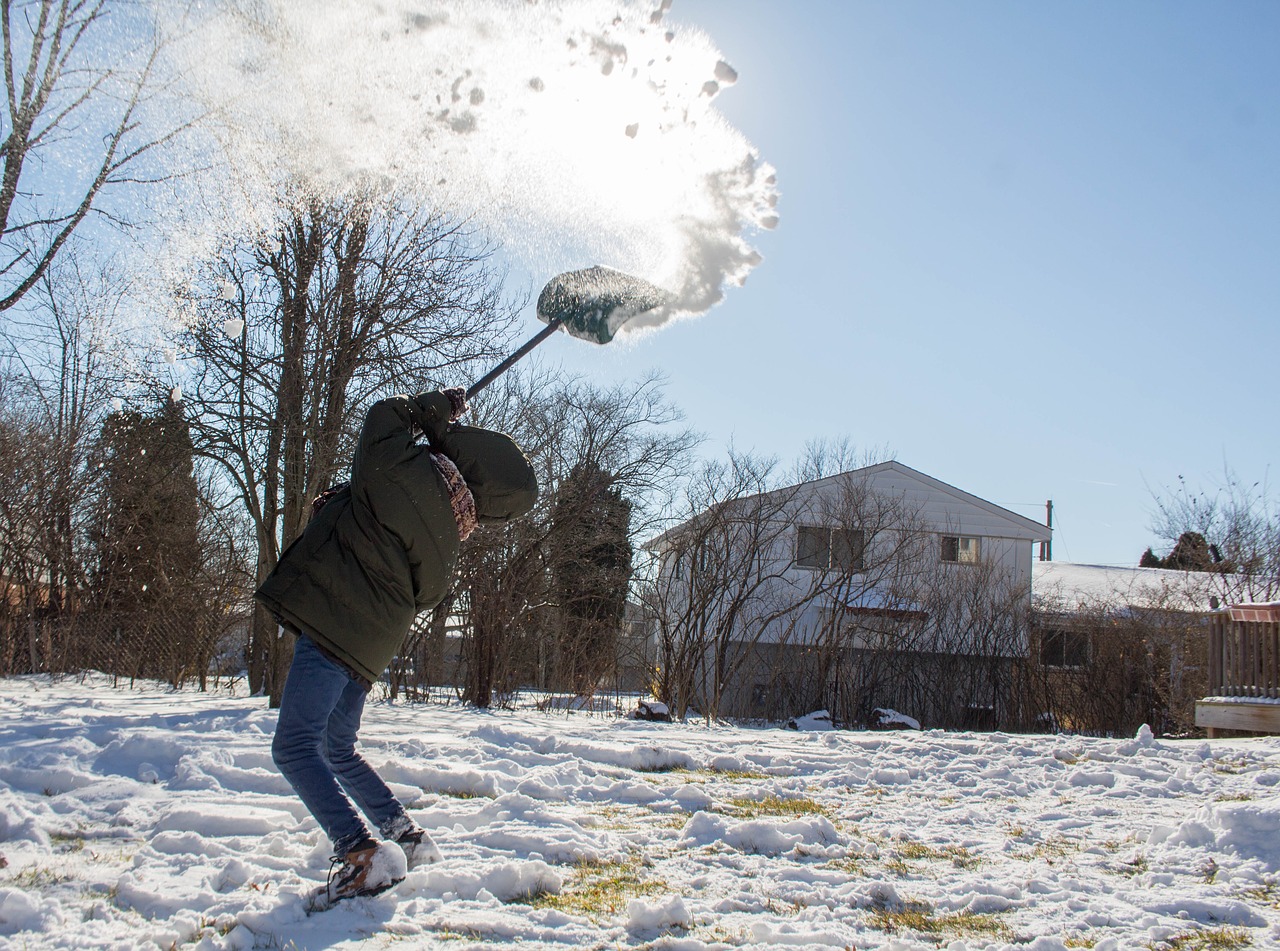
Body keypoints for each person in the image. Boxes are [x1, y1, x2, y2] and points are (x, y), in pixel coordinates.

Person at [256, 387, 537, 904]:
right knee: (336, 747)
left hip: (332, 627)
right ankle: (406, 835)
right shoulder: (453, 535)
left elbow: (384, 416)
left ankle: (363, 854)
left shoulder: (398, 468)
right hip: (368, 652)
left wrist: (438, 410)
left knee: (294, 747)